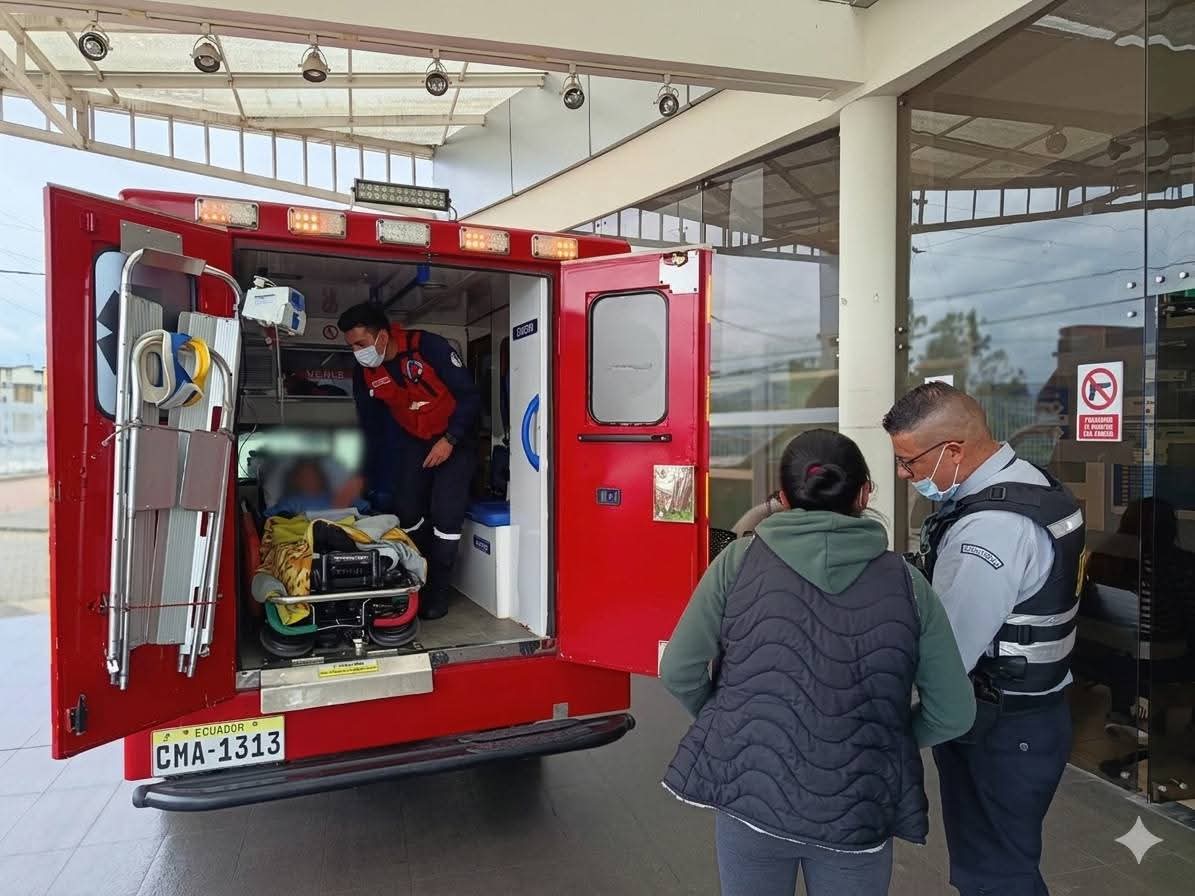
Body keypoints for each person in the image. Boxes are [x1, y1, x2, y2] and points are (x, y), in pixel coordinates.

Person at [660, 429, 976, 896]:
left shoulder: (738, 562)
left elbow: (679, 670)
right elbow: (954, 712)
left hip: (753, 799)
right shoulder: (909, 584)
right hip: (858, 809)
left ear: (783, 498)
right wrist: (881, 740)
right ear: (865, 492)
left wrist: (734, 723)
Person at [882, 382, 1085, 896]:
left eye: (910, 463)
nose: (906, 476)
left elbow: (946, 654)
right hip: (1038, 710)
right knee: (1005, 859)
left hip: (1001, 728)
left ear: (952, 449)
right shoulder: (1035, 484)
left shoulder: (987, 532)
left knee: (994, 873)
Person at [337, 302, 481, 620]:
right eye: (352, 346)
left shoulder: (429, 347)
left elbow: (470, 398)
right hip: (414, 441)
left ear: (383, 336)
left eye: (361, 344)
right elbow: (370, 422)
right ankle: (417, 578)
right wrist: (364, 470)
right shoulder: (367, 372)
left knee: (446, 517)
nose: (357, 352)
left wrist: (450, 440)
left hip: (455, 440)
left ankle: (438, 594)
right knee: (407, 510)